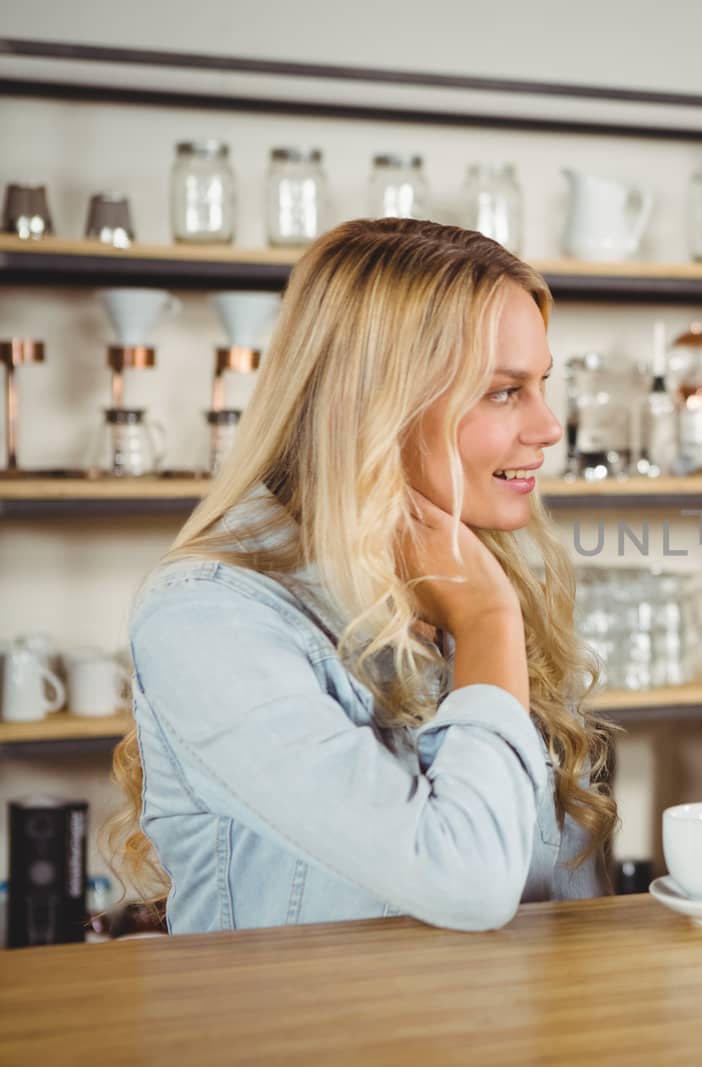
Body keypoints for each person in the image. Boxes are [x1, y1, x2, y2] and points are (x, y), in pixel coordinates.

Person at [105, 218, 616, 933]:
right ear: (381, 403)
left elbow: (564, 910)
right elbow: (468, 883)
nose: (549, 426)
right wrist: (488, 624)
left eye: (541, 385)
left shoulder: (477, 571)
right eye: (504, 391)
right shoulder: (208, 617)